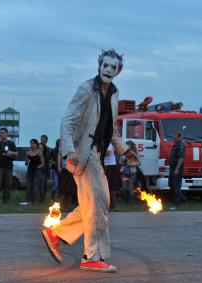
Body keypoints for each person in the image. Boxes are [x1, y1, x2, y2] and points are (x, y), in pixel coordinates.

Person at [43, 49, 136, 273]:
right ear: (99, 65)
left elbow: (111, 129)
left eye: (113, 67)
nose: (108, 69)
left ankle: (57, 233)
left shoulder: (114, 93)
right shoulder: (86, 88)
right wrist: (68, 151)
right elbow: (68, 120)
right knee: (99, 203)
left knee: (94, 204)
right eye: (105, 65)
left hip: (98, 155)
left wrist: (123, 150)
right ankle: (91, 257)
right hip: (83, 154)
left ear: (118, 72)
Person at [0, 127, 17, 203]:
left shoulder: (11, 144)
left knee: (8, 184)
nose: (1, 134)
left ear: (7, 134)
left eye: (3, 133)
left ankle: (7, 201)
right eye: (0, 133)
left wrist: (11, 153)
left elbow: (16, 153)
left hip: (9, 167)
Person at [168, 132, 186, 207]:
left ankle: (176, 203)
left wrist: (177, 169)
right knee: (171, 184)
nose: (174, 138)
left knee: (176, 186)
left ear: (180, 137)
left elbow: (181, 158)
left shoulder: (181, 145)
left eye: (175, 137)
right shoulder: (175, 145)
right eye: (174, 137)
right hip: (172, 167)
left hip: (177, 168)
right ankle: (183, 199)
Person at [25, 139, 44, 204]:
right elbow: (26, 163)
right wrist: (26, 161)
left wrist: (38, 167)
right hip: (30, 170)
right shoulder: (28, 152)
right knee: (28, 187)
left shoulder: (39, 152)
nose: (31, 145)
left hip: (37, 171)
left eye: (33, 143)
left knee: (36, 187)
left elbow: (43, 163)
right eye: (31, 143)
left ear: (36, 144)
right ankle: (29, 201)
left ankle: (36, 202)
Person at [104, 143, 120, 210]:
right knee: (105, 187)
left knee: (111, 186)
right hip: (105, 165)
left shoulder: (109, 143)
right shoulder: (103, 142)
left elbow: (107, 153)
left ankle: (114, 205)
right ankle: (108, 205)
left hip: (110, 165)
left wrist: (97, 152)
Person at [39, 134, 50, 201]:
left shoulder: (47, 148)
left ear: (46, 140)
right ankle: (40, 197)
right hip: (40, 167)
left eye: (43, 139)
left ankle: (43, 197)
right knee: (40, 183)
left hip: (45, 168)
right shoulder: (39, 146)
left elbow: (47, 159)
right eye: (41, 138)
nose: (42, 140)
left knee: (44, 184)